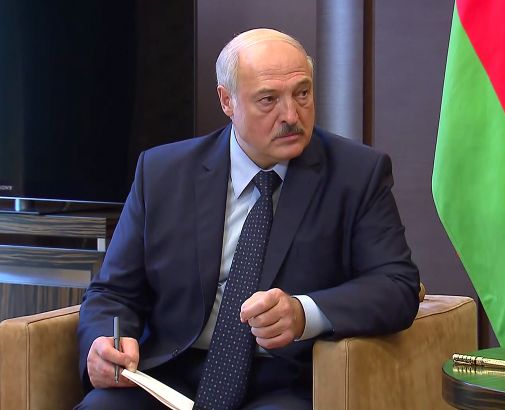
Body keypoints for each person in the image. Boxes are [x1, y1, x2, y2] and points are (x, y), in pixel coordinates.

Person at [75, 28, 420, 409]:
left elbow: (397, 285)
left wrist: (304, 313)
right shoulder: (163, 172)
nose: (291, 115)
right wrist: (103, 342)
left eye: (302, 93)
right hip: (171, 372)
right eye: (268, 100)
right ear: (227, 100)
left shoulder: (357, 174)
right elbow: (114, 291)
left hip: (287, 381)